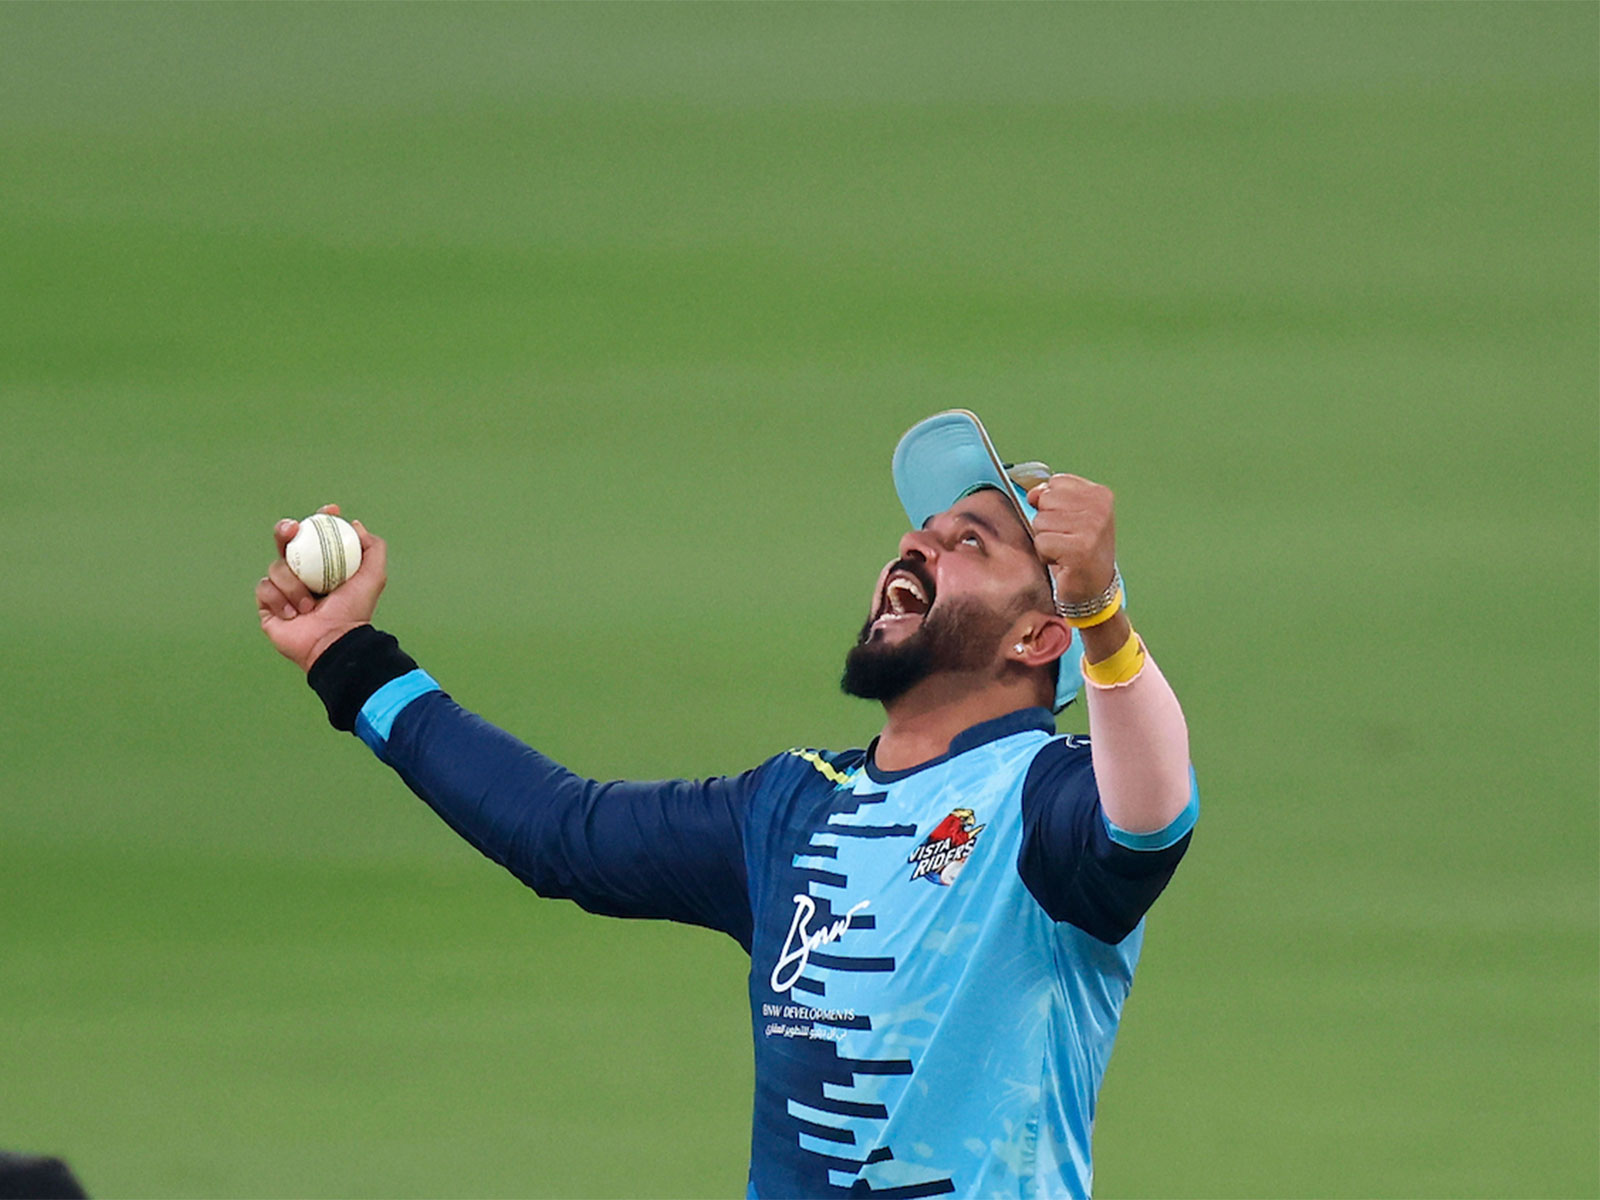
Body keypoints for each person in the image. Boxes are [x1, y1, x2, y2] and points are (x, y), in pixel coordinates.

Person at [255, 409, 1197, 1199]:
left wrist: (1102, 615)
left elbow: (1151, 818)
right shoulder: (792, 807)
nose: (916, 543)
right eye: (923, 530)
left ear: (1037, 636)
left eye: (970, 543)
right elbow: (560, 833)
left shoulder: (1044, 800)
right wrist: (350, 659)